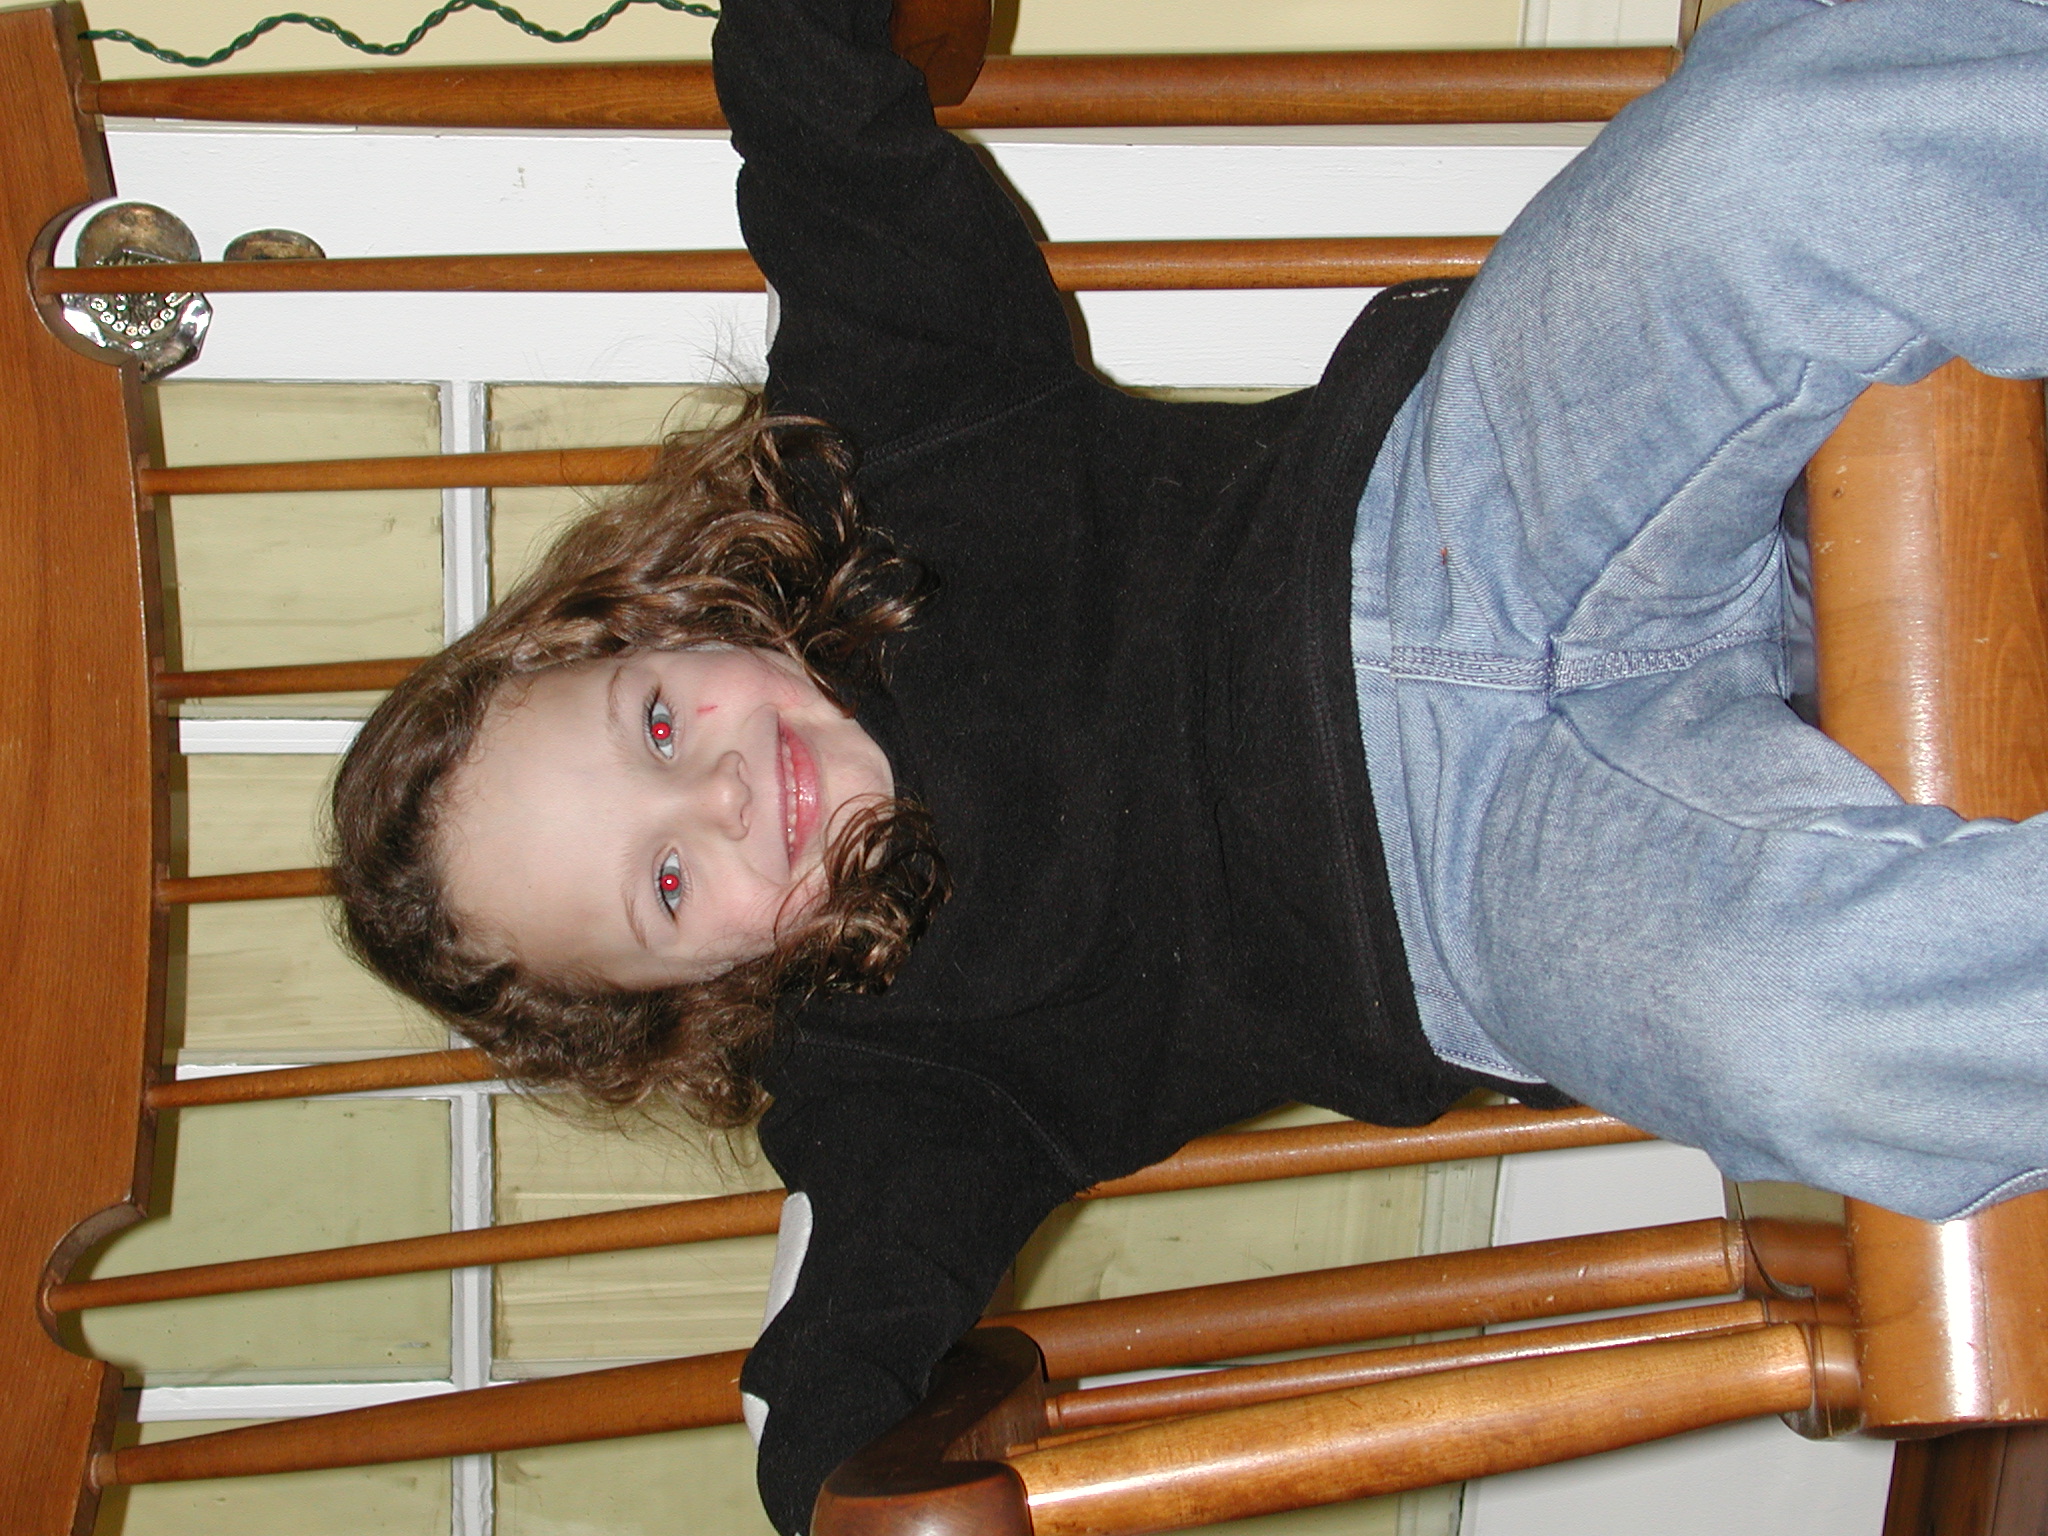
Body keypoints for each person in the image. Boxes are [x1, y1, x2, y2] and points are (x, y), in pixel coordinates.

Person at [329, 0, 2048, 1528]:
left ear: (652, 615)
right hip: (1484, 904)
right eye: (668, 882)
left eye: (652, 723)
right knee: (1801, 1031)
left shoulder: (878, 447)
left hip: (1456, 493)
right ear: (683, 1002)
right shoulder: (888, 1077)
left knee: (1765, 160)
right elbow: (822, 1394)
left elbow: (807, 113)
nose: (716, 793)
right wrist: (839, 1492)